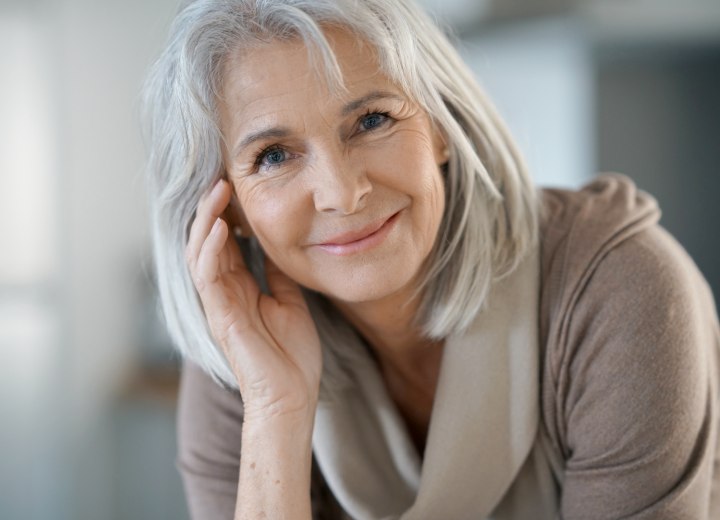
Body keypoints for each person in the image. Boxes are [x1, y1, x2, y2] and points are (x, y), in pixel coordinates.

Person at [142, 0, 720, 518]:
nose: (342, 193)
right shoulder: (244, 345)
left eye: (372, 121)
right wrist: (276, 406)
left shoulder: (618, 291)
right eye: (272, 156)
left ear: (441, 125)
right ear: (226, 208)